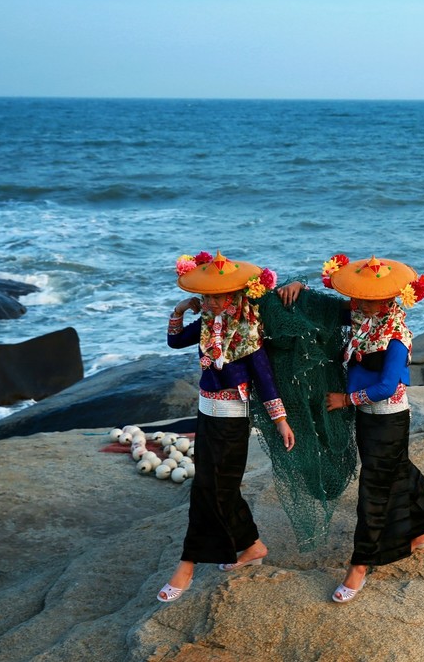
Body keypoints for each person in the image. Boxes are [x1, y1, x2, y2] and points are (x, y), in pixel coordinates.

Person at [157, 251, 295, 603]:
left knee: (208, 489)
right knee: (221, 489)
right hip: (206, 412)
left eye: (217, 296)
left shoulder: (249, 332)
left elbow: (265, 379)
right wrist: (178, 310)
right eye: (206, 296)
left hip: (232, 418)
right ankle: (252, 545)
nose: (211, 302)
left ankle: (186, 564)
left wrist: (280, 421)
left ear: (235, 296)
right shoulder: (205, 322)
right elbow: (174, 341)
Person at [316, 253, 424, 604]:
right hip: (368, 418)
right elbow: (332, 309)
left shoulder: (396, 336)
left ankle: (360, 565)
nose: (357, 303)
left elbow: (386, 387)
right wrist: (300, 289)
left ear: (386, 301)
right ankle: (422, 530)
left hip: (388, 417)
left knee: (373, 490)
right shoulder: (365, 319)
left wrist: (345, 400)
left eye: (365, 299)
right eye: (358, 298)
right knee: (398, 469)